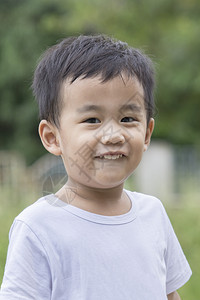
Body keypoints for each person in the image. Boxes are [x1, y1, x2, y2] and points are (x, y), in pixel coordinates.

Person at [0, 35, 192, 300]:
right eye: (92, 119)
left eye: (127, 118)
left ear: (146, 133)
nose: (113, 135)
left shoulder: (153, 214)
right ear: (52, 137)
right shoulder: (38, 227)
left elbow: (169, 294)